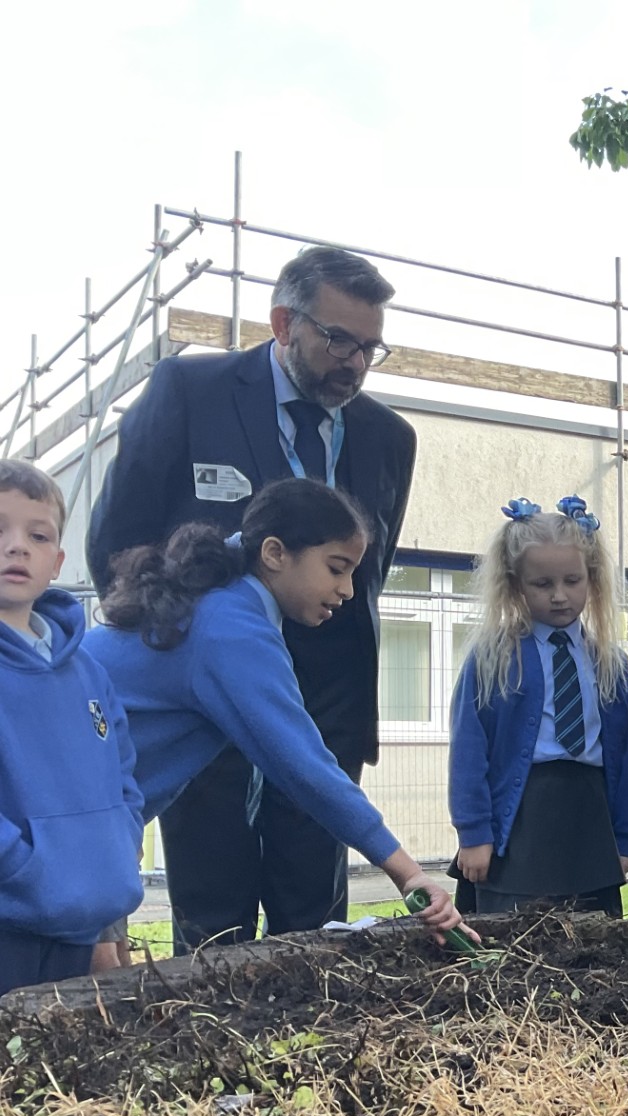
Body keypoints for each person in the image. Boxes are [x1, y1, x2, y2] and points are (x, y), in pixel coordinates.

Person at [85, 246, 417, 951]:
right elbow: (117, 539)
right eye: (337, 339)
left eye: (370, 346)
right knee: (212, 930)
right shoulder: (187, 391)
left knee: (316, 932)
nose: (354, 362)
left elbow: (365, 579)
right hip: (201, 704)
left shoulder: (390, 439)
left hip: (322, 714)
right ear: (282, 323)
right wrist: (178, 651)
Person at [82, 480, 467, 942]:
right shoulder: (230, 629)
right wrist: (408, 873)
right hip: (68, 819)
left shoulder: (216, 600)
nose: (346, 590)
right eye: (336, 568)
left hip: (84, 821)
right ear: (274, 553)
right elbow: (304, 767)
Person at [449, 497, 628, 917]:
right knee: (515, 952)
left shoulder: (611, 664)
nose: (559, 596)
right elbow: (468, 750)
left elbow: (627, 757)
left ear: (591, 580)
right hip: (518, 830)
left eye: (572, 581)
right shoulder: (492, 658)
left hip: (588, 829)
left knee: (595, 953)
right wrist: (474, 833)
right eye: (543, 584)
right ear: (516, 584)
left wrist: (625, 839)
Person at [0, 460, 145, 993]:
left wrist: (120, 841)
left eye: (37, 535)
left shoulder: (87, 669)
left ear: (57, 560)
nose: (18, 546)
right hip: (9, 926)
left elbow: (123, 772)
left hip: (78, 926)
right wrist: (24, 870)